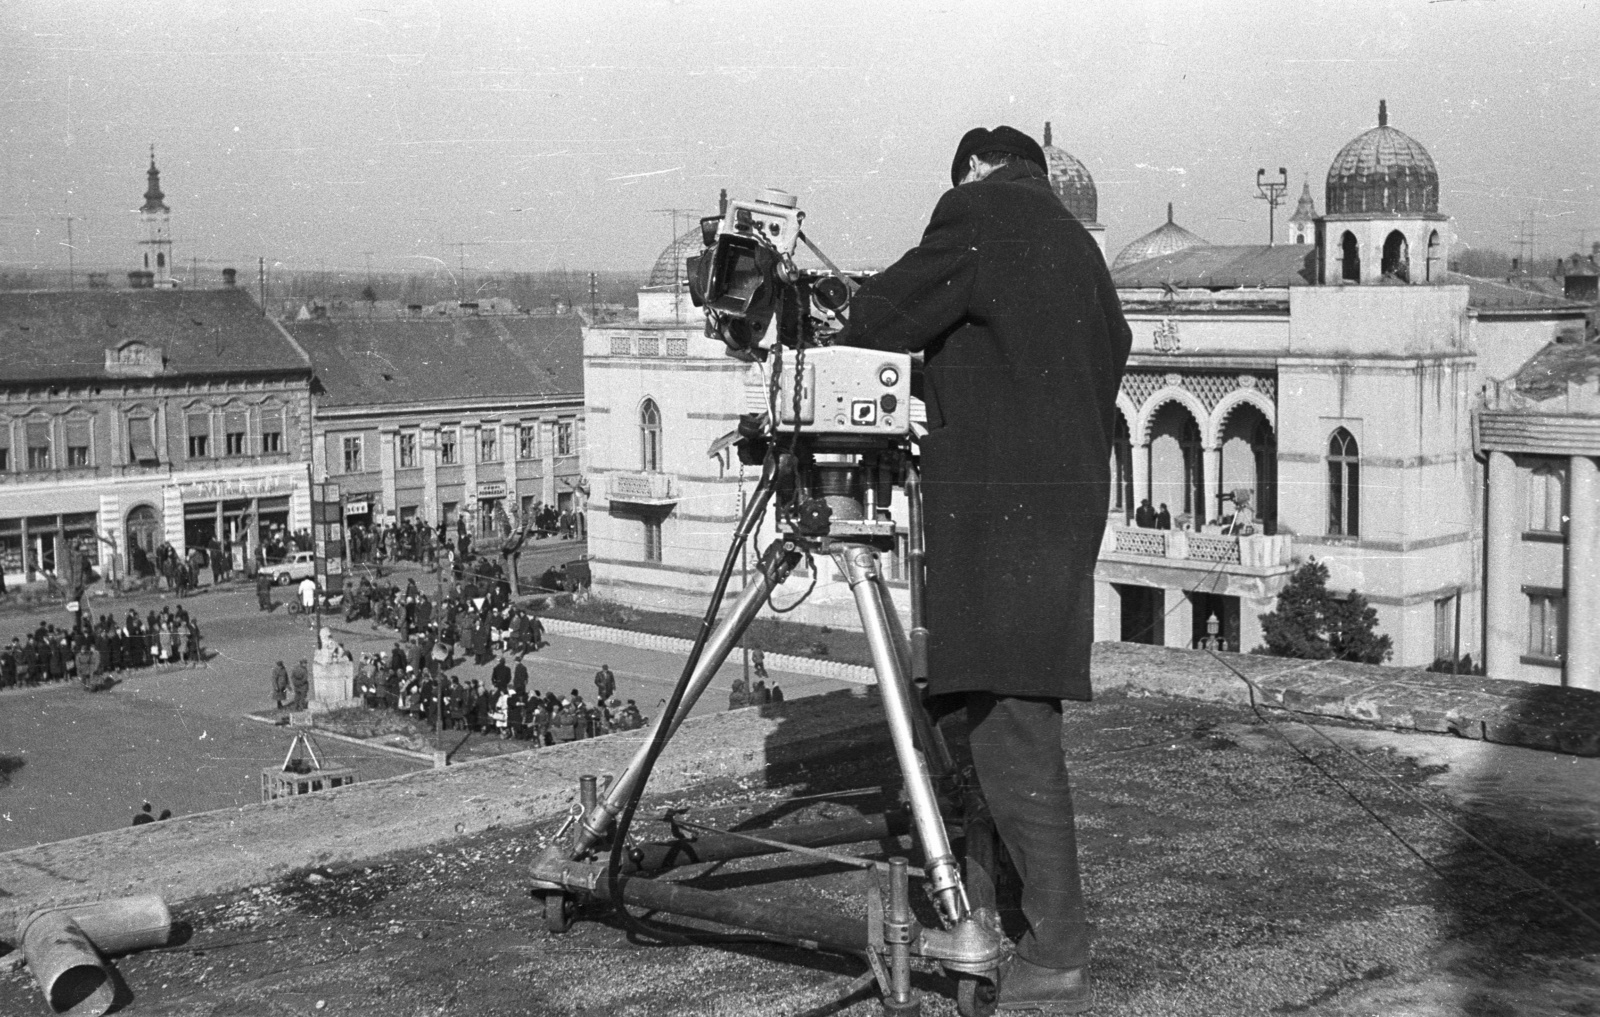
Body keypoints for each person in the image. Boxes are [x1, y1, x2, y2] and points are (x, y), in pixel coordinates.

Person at [836, 124, 1130, 1011]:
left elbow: (877, 319)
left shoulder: (976, 211)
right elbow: (1073, 361)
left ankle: (1059, 952)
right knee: (995, 709)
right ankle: (997, 904)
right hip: (1057, 511)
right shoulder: (1076, 245)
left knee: (1006, 720)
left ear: (972, 168)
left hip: (1004, 522)